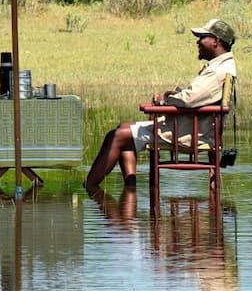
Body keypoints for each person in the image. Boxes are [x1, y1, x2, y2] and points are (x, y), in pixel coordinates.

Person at [84, 18, 238, 191]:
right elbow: (196, 97)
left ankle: (90, 187)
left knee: (118, 135)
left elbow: (189, 99)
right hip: (193, 129)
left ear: (216, 41)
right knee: (123, 129)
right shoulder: (223, 66)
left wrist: (165, 100)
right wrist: (171, 96)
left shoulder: (218, 70)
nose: (198, 41)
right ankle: (130, 192)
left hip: (189, 134)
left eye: (202, 37)